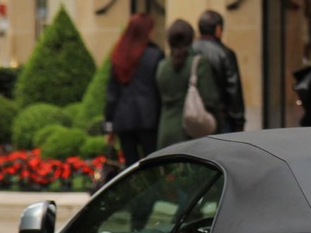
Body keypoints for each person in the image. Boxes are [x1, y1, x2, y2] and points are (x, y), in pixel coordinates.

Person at [104, 13, 163, 169]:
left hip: (123, 119)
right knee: (153, 164)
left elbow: (112, 93)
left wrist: (109, 125)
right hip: (149, 118)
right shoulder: (155, 55)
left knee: (130, 167)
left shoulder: (119, 55)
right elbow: (159, 89)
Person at [154, 19, 226, 149]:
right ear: (191, 38)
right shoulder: (199, 63)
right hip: (191, 131)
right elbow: (209, 99)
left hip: (165, 132)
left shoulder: (162, 66)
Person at [193, 9, 246, 133]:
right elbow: (233, 89)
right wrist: (239, 121)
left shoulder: (189, 50)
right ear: (218, 29)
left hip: (193, 115)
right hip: (221, 118)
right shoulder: (225, 53)